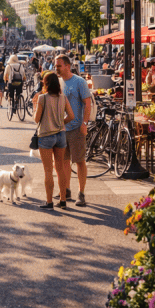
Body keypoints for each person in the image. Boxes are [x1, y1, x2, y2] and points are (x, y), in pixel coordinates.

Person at [33, 70, 75, 210]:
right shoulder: (62, 97)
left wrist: (35, 107)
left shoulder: (42, 98)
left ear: (46, 84)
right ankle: (63, 200)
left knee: (48, 170)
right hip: (60, 135)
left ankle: (49, 202)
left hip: (45, 135)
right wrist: (61, 122)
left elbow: (36, 119)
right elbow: (71, 116)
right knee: (61, 169)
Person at [55, 54, 92, 207]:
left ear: (67, 66)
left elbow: (87, 104)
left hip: (76, 128)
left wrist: (84, 123)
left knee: (80, 161)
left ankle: (81, 193)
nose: (56, 68)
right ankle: (67, 189)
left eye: (58, 66)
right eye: (55, 65)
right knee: (64, 162)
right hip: (62, 128)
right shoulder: (58, 82)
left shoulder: (79, 82)